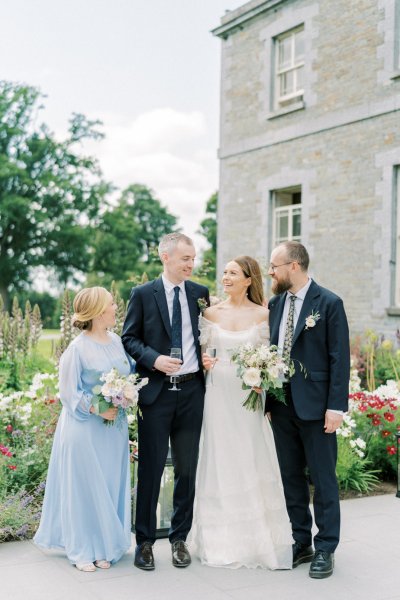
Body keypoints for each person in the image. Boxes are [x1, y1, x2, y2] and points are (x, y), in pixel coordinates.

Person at [189, 256, 293, 570]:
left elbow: (274, 356)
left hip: (249, 395)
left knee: (249, 455)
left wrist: (265, 377)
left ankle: (255, 540)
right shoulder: (209, 312)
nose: (226, 277)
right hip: (217, 393)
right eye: (224, 272)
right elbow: (202, 353)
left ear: (249, 279)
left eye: (233, 273)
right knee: (220, 458)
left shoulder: (264, 313)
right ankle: (220, 542)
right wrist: (205, 361)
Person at [121, 233, 209, 571]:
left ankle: (179, 539)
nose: (190, 264)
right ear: (165, 257)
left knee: (186, 469)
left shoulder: (200, 294)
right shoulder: (143, 295)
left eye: (193, 258)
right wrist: (154, 359)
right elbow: (129, 337)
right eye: (185, 258)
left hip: (191, 392)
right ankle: (144, 541)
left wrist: (208, 358)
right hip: (156, 394)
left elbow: (208, 336)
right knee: (151, 468)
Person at [266, 241, 350, 579]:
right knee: (291, 478)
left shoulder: (328, 303)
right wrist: (270, 401)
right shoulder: (275, 303)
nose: (270, 271)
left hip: (317, 408)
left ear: (294, 266)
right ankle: (301, 541)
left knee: (323, 479)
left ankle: (326, 546)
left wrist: (336, 407)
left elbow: (338, 359)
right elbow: (271, 352)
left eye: (275, 265)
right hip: (282, 406)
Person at [34, 287, 132, 572]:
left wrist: (126, 395)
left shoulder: (116, 341)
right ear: (100, 311)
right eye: (113, 304)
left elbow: (127, 373)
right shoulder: (77, 348)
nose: (116, 308)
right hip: (84, 427)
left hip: (114, 429)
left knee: (109, 484)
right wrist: (97, 407)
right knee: (85, 488)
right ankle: (83, 549)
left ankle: (103, 546)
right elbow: (68, 392)